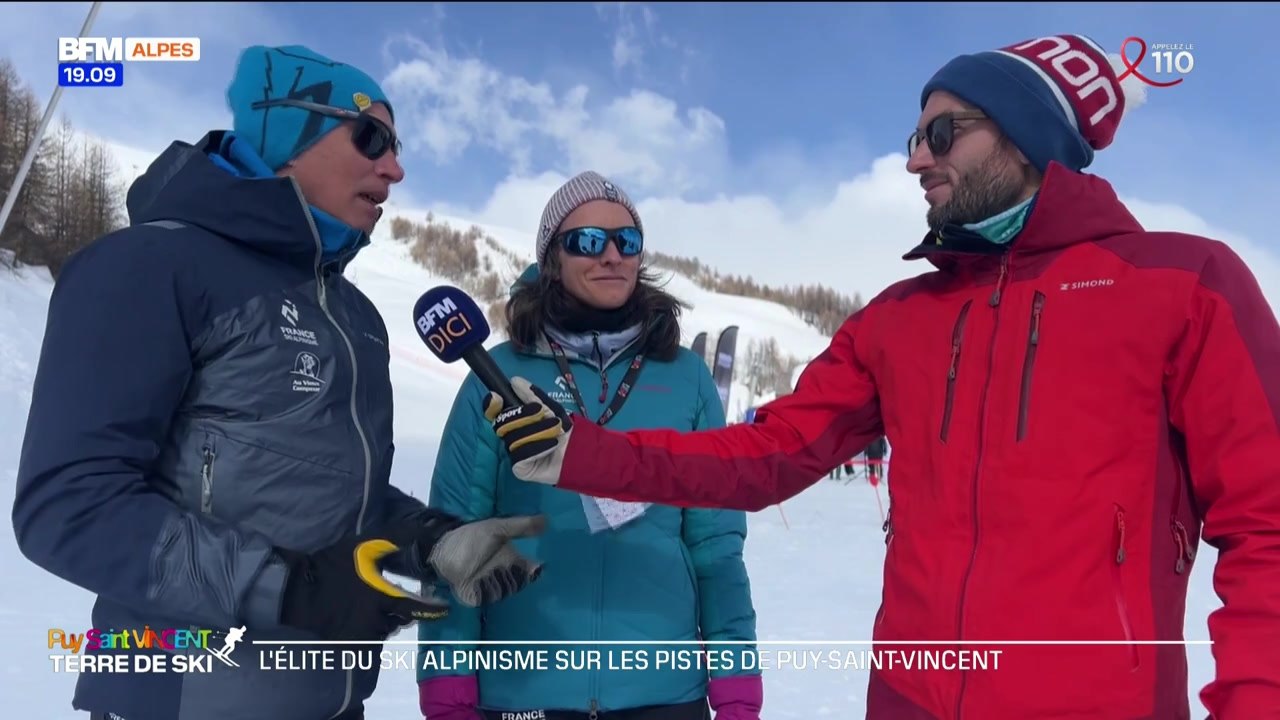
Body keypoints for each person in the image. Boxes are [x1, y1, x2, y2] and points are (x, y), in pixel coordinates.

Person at [482, 34, 1280, 720]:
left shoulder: (1185, 286)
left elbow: (1267, 524)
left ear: (1027, 134)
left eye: (942, 132)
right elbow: (767, 454)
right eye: (914, 137)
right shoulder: (900, 318)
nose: (914, 160)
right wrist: (582, 453)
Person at [12, 44, 543, 720]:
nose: (395, 167)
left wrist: (431, 539)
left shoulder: (353, 316)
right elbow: (71, 506)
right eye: (371, 137)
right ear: (286, 133)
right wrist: (289, 588)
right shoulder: (150, 265)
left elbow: (333, 497)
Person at [418, 171, 763, 720]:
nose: (611, 255)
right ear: (552, 256)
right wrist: (446, 677)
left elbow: (716, 543)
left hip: (664, 695)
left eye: (627, 241)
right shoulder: (498, 375)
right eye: (587, 240)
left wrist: (735, 673)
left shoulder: (686, 377)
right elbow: (456, 535)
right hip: (525, 693)